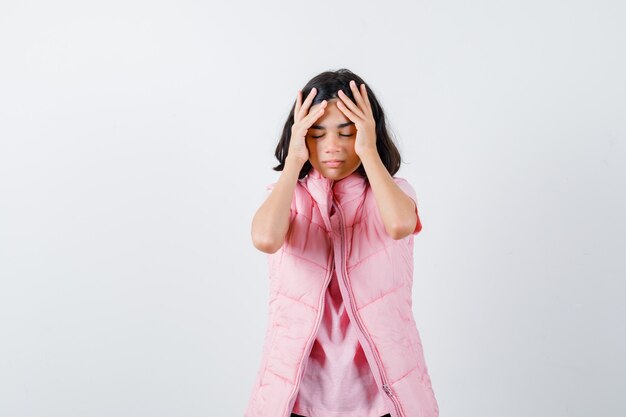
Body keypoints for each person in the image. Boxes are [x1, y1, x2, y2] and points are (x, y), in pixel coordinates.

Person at [245, 69, 439, 417]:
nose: (331, 146)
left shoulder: (393, 193)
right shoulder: (288, 196)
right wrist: (293, 163)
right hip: (297, 397)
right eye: (317, 134)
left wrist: (369, 151)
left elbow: (399, 225)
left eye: (347, 133)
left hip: (382, 398)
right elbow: (265, 238)